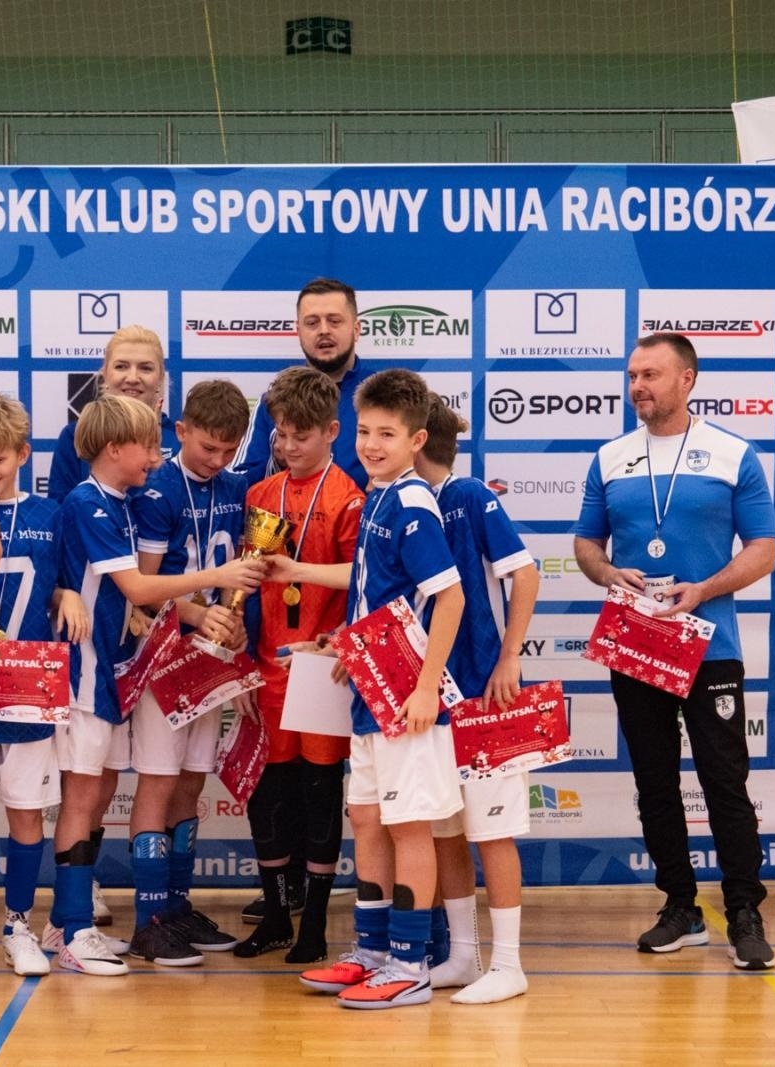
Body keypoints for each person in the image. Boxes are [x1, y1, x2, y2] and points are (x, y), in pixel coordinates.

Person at [572, 331, 775, 971]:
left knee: (725, 780)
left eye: (651, 375)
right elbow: (585, 547)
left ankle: (744, 910)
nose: (638, 386)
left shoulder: (733, 453)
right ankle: (681, 907)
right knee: (653, 781)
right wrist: (610, 576)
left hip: (711, 644)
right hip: (638, 642)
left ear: (687, 379)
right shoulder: (610, 457)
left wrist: (706, 589)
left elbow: (764, 550)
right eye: (632, 375)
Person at [45, 394, 265, 975]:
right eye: (148, 447)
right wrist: (210, 587)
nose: (156, 456)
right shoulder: (105, 502)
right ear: (117, 448)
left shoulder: (122, 500)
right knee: (100, 793)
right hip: (104, 671)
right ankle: (91, 924)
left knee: (156, 783)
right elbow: (140, 587)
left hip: (129, 667)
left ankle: (164, 911)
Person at [270, 368, 466, 1010]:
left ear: (418, 440)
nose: (373, 443)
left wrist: (426, 688)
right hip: (369, 694)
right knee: (369, 821)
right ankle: (374, 951)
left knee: (408, 827)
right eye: (365, 430)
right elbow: (377, 593)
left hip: (409, 699)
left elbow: (450, 597)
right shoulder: (378, 494)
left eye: (388, 433)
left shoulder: (411, 502)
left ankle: (409, 964)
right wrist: (336, 643)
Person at [0, 388, 89, 981]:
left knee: (28, 816)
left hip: (30, 692)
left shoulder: (50, 515)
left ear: (23, 454)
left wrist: (71, 592)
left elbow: (64, 580)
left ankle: (19, 924)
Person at [46, 322, 178, 926]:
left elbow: (140, 582)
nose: (156, 460)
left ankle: (78, 910)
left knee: (99, 786)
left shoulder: (135, 491)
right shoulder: (87, 494)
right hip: (87, 663)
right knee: (83, 790)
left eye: (145, 367)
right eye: (121, 366)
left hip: (122, 660)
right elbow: (122, 578)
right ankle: (66, 920)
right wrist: (219, 576)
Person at [232, 366, 363, 963]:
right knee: (269, 796)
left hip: (322, 670)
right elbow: (244, 588)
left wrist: (298, 574)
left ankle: (314, 924)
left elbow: (362, 581)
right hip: (267, 670)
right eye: (279, 434)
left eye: (300, 436)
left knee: (317, 797)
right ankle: (276, 916)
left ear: (332, 431)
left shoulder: (349, 499)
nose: (286, 446)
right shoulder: (260, 496)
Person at [412, 397, 540, 1005]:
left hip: (483, 692)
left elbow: (526, 571)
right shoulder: (403, 502)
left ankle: (509, 964)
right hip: (429, 696)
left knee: (493, 830)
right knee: (445, 830)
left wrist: (510, 654)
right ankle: (463, 955)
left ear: (417, 439)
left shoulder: (468, 495)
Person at [124, 379, 252, 966]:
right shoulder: (158, 491)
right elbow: (144, 593)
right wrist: (199, 614)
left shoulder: (236, 488)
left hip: (212, 661)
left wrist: (233, 622)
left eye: (229, 449)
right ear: (181, 432)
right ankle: (149, 920)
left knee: (191, 781)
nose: (218, 459)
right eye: (207, 448)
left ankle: (176, 908)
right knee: (157, 780)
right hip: (164, 657)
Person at [232, 277, 375, 487]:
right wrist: (278, 462)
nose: (324, 330)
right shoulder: (273, 400)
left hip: (362, 518)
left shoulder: (385, 396)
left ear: (356, 329)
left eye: (334, 321)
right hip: (288, 519)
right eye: (312, 322)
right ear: (298, 330)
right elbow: (240, 484)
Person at [47, 323, 179, 501]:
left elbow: (189, 512)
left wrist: (158, 468)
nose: (132, 378)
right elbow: (61, 514)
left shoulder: (179, 438)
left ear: (160, 377)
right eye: (121, 367)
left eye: (145, 368)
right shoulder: (75, 435)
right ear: (105, 374)